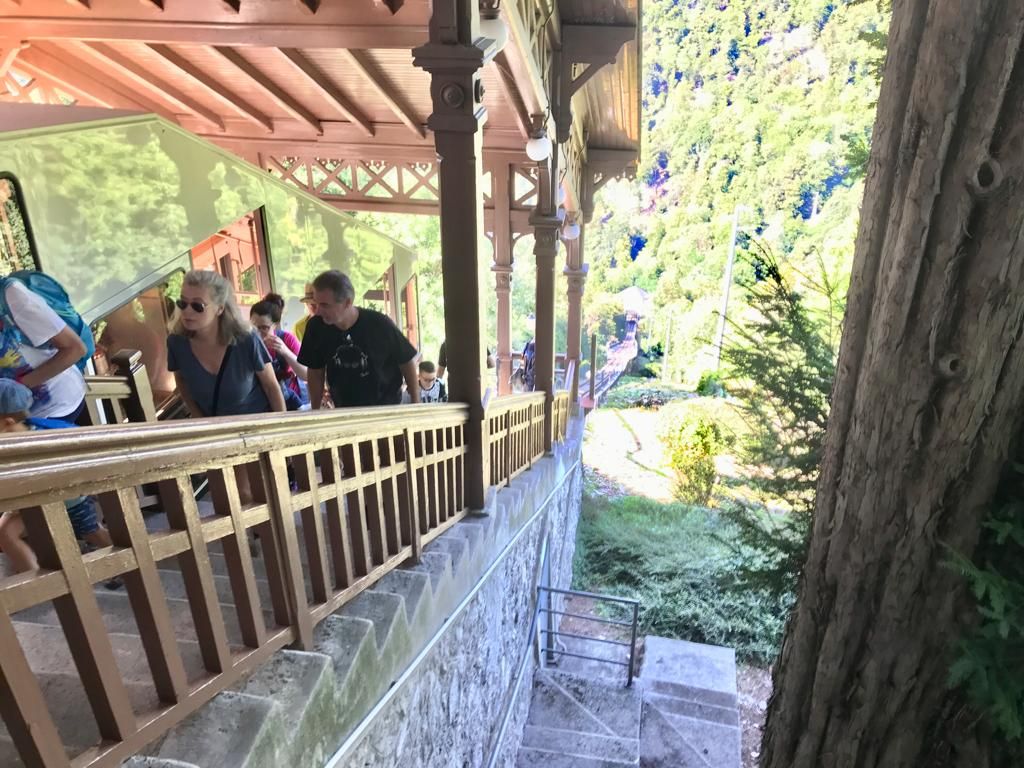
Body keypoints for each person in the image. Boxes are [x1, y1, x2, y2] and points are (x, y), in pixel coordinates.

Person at [0, 379, 113, 573]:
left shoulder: (41, 439)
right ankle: (36, 578)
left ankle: (129, 558)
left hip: (70, 500)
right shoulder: (10, 439)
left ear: (7, 422)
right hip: (30, 503)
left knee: (91, 532)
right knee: (5, 532)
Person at [167, 270, 286, 418]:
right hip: (213, 428)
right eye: (182, 303)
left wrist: (281, 425)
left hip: (256, 423)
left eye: (198, 306)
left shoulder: (246, 340)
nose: (187, 311)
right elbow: (181, 380)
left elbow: (271, 387)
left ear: (220, 308)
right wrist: (199, 419)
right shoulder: (176, 343)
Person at [298, 270, 419, 408]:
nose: (318, 311)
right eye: (316, 303)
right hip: (344, 407)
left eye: (325, 305)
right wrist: (315, 409)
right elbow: (315, 371)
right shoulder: (316, 327)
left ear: (347, 303)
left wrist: (416, 403)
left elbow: (406, 361)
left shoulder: (380, 324)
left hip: (385, 406)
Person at [0, 276, 87, 422]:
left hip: (57, 404)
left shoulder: (12, 294)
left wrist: (19, 387)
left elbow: (75, 349)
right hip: (17, 413)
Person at [250, 293, 309, 411]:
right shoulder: (248, 343)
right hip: (263, 402)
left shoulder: (287, 339)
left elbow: (306, 374)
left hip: (292, 400)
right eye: (254, 328)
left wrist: (285, 351)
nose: (258, 333)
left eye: (264, 328)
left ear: (275, 325)